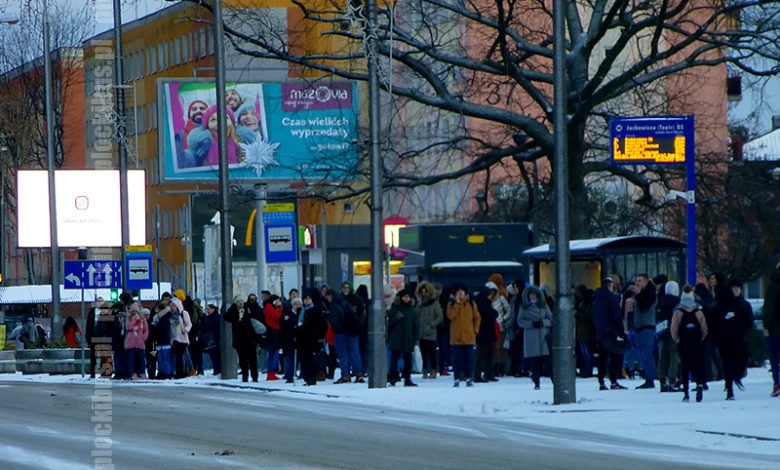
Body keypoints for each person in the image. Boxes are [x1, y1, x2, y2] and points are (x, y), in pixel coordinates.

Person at [671, 286, 708, 402]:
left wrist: (677, 340)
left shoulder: (678, 312)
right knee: (697, 365)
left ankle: (686, 393)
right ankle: (699, 384)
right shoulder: (698, 312)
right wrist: (700, 339)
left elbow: (673, 330)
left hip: (683, 344)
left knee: (685, 368)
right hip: (696, 344)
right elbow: (705, 330)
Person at [718, 279, 754, 400]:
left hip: (741, 340)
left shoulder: (745, 305)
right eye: (734, 288)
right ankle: (729, 389)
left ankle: (737, 377)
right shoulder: (724, 305)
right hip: (726, 340)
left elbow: (749, 322)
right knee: (727, 364)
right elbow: (718, 322)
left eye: (738, 288)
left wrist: (745, 336)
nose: (736, 290)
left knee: (740, 362)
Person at [591, 277, 628, 390]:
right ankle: (613, 380)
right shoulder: (611, 298)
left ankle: (601, 380)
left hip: (601, 332)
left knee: (602, 357)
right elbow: (616, 314)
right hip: (612, 331)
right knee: (615, 355)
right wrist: (621, 329)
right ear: (609, 286)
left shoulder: (596, 299)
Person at [324, 287, 364, 383]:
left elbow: (334, 320)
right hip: (352, 330)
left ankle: (345, 375)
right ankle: (359, 373)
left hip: (340, 332)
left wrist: (326, 316)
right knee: (354, 352)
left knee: (342, 354)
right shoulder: (344, 302)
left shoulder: (334, 306)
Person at [517, 285, 553, 390]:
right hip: (531, 338)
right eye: (530, 295)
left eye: (534, 294)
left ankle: (554, 380)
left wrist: (543, 323)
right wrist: (531, 324)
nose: (532, 297)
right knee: (535, 362)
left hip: (543, 336)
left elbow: (550, 319)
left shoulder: (543, 305)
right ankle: (536, 382)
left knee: (548, 361)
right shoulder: (523, 307)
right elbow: (520, 321)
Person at [447, 282, 481, 387]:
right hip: (456, 338)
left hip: (469, 336)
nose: (460, 293)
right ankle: (457, 378)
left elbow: (477, 318)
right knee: (457, 359)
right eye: (457, 291)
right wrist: (457, 304)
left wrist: (475, 331)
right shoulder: (451, 304)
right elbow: (450, 316)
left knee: (469, 359)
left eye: (461, 291)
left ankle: (469, 378)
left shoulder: (471, 303)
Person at [387, 288, 421, 387]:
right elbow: (388, 323)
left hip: (408, 339)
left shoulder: (412, 311)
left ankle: (407, 379)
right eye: (404, 297)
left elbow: (416, 325)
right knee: (394, 359)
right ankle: (393, 377)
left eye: (408, 297)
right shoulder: (395, 308)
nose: (406, 299)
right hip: (396, 338)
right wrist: (396, 318)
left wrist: (415, 338)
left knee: (407, 360)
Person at [224, 296, 261, 382]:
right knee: (242, 359)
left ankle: (254, 377)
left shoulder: (248, 309)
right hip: (239, 340)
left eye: (241, 301)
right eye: (238, 302)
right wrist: (233, 306)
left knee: (253, 359)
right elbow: (226, 316)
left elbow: (256, 313)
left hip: (250, 339)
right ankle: (245, 376)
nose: (240, 303)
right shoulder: (234, 312)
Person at [630, 273, 657, 389]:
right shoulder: (641, 294)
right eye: (636, 280)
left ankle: (650, 378)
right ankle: (648, 376)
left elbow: (643, 306)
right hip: (639, 327)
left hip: (647, 326)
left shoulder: (650, 293)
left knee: (647, 354)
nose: (637, 283)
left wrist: (637, 294)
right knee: (642, 353)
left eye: (640, 280)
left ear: (646, 281)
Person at [297, 289, 328, 386]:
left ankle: (312, 378)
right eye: (305, 299)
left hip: (313, 339)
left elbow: (322, 325)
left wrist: (319, 335)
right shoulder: (301, 310)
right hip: (303, 339)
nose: (306, 300)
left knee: (312, 359)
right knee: (304, 359)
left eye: (308, 298)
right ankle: (307, 378)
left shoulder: (316, 310)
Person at [656, 280, 681, 392]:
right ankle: (672, 380)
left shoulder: (660, 302)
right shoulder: (677, 302)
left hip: (662, 332)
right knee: (673, 358)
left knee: (663, 358)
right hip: (673, 332)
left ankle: (662, 380)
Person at [416, 281, 443, 379]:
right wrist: (418, 305)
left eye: (426, 292)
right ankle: (424, 370)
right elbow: (416, 315)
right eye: (422, 292)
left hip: (431, 332)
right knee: (423, 352)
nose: (424, 294)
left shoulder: (435, 303)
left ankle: (433, 369)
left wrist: (433, 324)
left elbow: (440, 316)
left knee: (431, 352)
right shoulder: (421, 304)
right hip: (421, 332)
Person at [473, 283, 499, 383]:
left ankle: (483, 374)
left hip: (483, 332)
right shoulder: (483, 302)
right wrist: (494, 313)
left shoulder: (478, 300)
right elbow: (491, 313)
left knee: (484, 354)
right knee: (484, 355)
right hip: (485, 332)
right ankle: (481, 375)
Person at [488, 274, 512, 378]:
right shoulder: (487, 300)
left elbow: (509, 310)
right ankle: (495, 367)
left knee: (498, 348)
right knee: (494, 348)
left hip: (500, 326)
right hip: (490, 327)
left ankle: (499, 367)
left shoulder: (501, 298)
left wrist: (503, 319)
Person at [763, 261, 780, 397]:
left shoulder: (773, 285)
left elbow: (769, 307)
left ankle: (777, 384)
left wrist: (767, 326)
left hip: (775, 328)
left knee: (774, 357)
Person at [573, 284, 596, 378]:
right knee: (584, 352)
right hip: (582, 330)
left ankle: (588, 369)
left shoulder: (588, 302)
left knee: (586, 352)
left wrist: (577, 314)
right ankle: (585, 368)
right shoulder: (582, 302)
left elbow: (588, 316)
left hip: (586, 330)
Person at [151, 299, 175, 379]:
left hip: (164, 341)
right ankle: (163, 372)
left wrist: (155, 327)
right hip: (162, 341)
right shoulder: (164, 317)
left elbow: (162, 329)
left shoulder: (164, 318)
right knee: (162, 358)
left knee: (164, 358)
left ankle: (166, 373)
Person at [169, 297, 192, 379]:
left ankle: (184, 371)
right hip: (174, 338)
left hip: (182, 338)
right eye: (171, 306)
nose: (173, 308)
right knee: (177, 356)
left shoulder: (183, 313)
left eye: (174, 306)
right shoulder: (170, 315)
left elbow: (189, 324)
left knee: (182, 356)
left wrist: (185, 330)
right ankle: (178, 372)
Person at [125, 303, 149, 380]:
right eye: (133, 312)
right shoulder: (129, 319)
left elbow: (146, 330)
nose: (135, 313)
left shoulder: (143, 320)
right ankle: (133, 374)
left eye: (136, 312)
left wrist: (143, 338)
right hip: (131, 343)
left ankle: (142, 373)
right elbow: (129, 327)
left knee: (141, 359)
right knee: (131, 360)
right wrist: (133, 320)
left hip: (140, 343)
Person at [262, 294, 283, 381]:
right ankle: (271, 373)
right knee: (273, 353)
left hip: (273, 332)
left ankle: (272, 372)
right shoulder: (269, 307)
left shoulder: (269, 307)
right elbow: (277, 316)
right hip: (272, 332)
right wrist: (280, 307)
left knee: (274, 353)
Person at [280, 297, 301, 383]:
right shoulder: (287, 313)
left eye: (299, 304)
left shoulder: (302, 313)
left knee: (300, 357)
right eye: (295, 304)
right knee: (289, 357)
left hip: (299, 339)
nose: (297, 306)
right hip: (288, 339)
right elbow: (282, 324)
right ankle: (289, 376)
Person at [201, 303, 221, 375]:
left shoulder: (214, 318)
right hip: (214, 339)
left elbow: (208, 326)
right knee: (214, 356)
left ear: (213, 309)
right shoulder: (214, 317)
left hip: (214, 339)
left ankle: (217, 370)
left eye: (209, 309)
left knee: (215, 356)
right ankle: (217, 369)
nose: (207, 311)